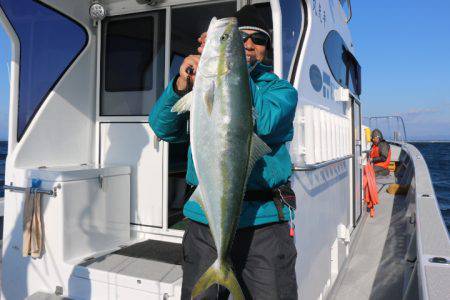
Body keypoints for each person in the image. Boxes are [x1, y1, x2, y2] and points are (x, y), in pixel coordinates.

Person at [149, 5, 298, 300]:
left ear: (266, 50)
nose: (249, 45)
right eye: (241, 38)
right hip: (204, 225)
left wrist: (234, 71)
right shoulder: (203, 84)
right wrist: (182, 85)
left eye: (259, 40)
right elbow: (163, 128)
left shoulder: (281, 91)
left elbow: (264, 123)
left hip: (264, 226)